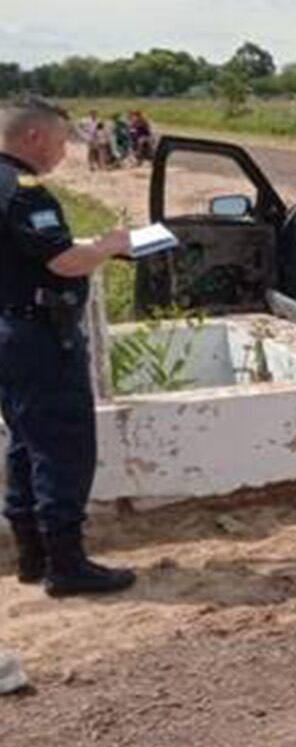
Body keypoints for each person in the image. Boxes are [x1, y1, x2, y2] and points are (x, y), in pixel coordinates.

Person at [0, 96, 138, 596]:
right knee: (63, 446)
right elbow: (62, 262)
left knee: (26, 443)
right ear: (33, 137)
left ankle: (32, 556)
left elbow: (28, 253)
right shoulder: (25, 192)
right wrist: (109, 246)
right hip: (38, 336)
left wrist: (91, 248)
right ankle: (67, 565)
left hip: (10, 331)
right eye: (60, 142)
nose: (64, 153)